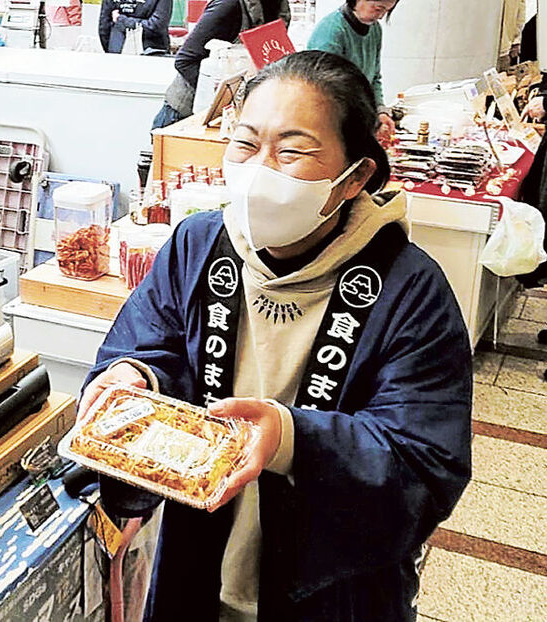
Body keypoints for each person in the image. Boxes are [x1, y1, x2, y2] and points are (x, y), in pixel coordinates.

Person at [81, 51, 472, 621]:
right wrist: (131, 376)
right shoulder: (197, 245)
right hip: (199, 560)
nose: (260, 170)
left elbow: (425, 461)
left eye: (291, 152)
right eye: (245, 144)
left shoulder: (410, 291)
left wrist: (291, 440)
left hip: (331, 592)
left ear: (356, 176)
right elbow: (149, 341)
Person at [152, 0, 290, 129]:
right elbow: (185, 60)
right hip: (185, 117)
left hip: (231, 119)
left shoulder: (277, 7)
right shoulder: (228, 6)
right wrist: (222, 98)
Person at [306, 0, 398, 139]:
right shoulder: (331, 30)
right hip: (328, 118)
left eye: (386, 11)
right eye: (378, 9)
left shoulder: (375, 29)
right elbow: (324, 88)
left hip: (354, 115)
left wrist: (380, 111)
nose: (380, 16)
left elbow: (374, 78)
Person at [99, 0, 172, 54]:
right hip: (153, 52)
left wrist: (122, 20)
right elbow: (157, 25)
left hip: (119, 51)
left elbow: (104, 28)